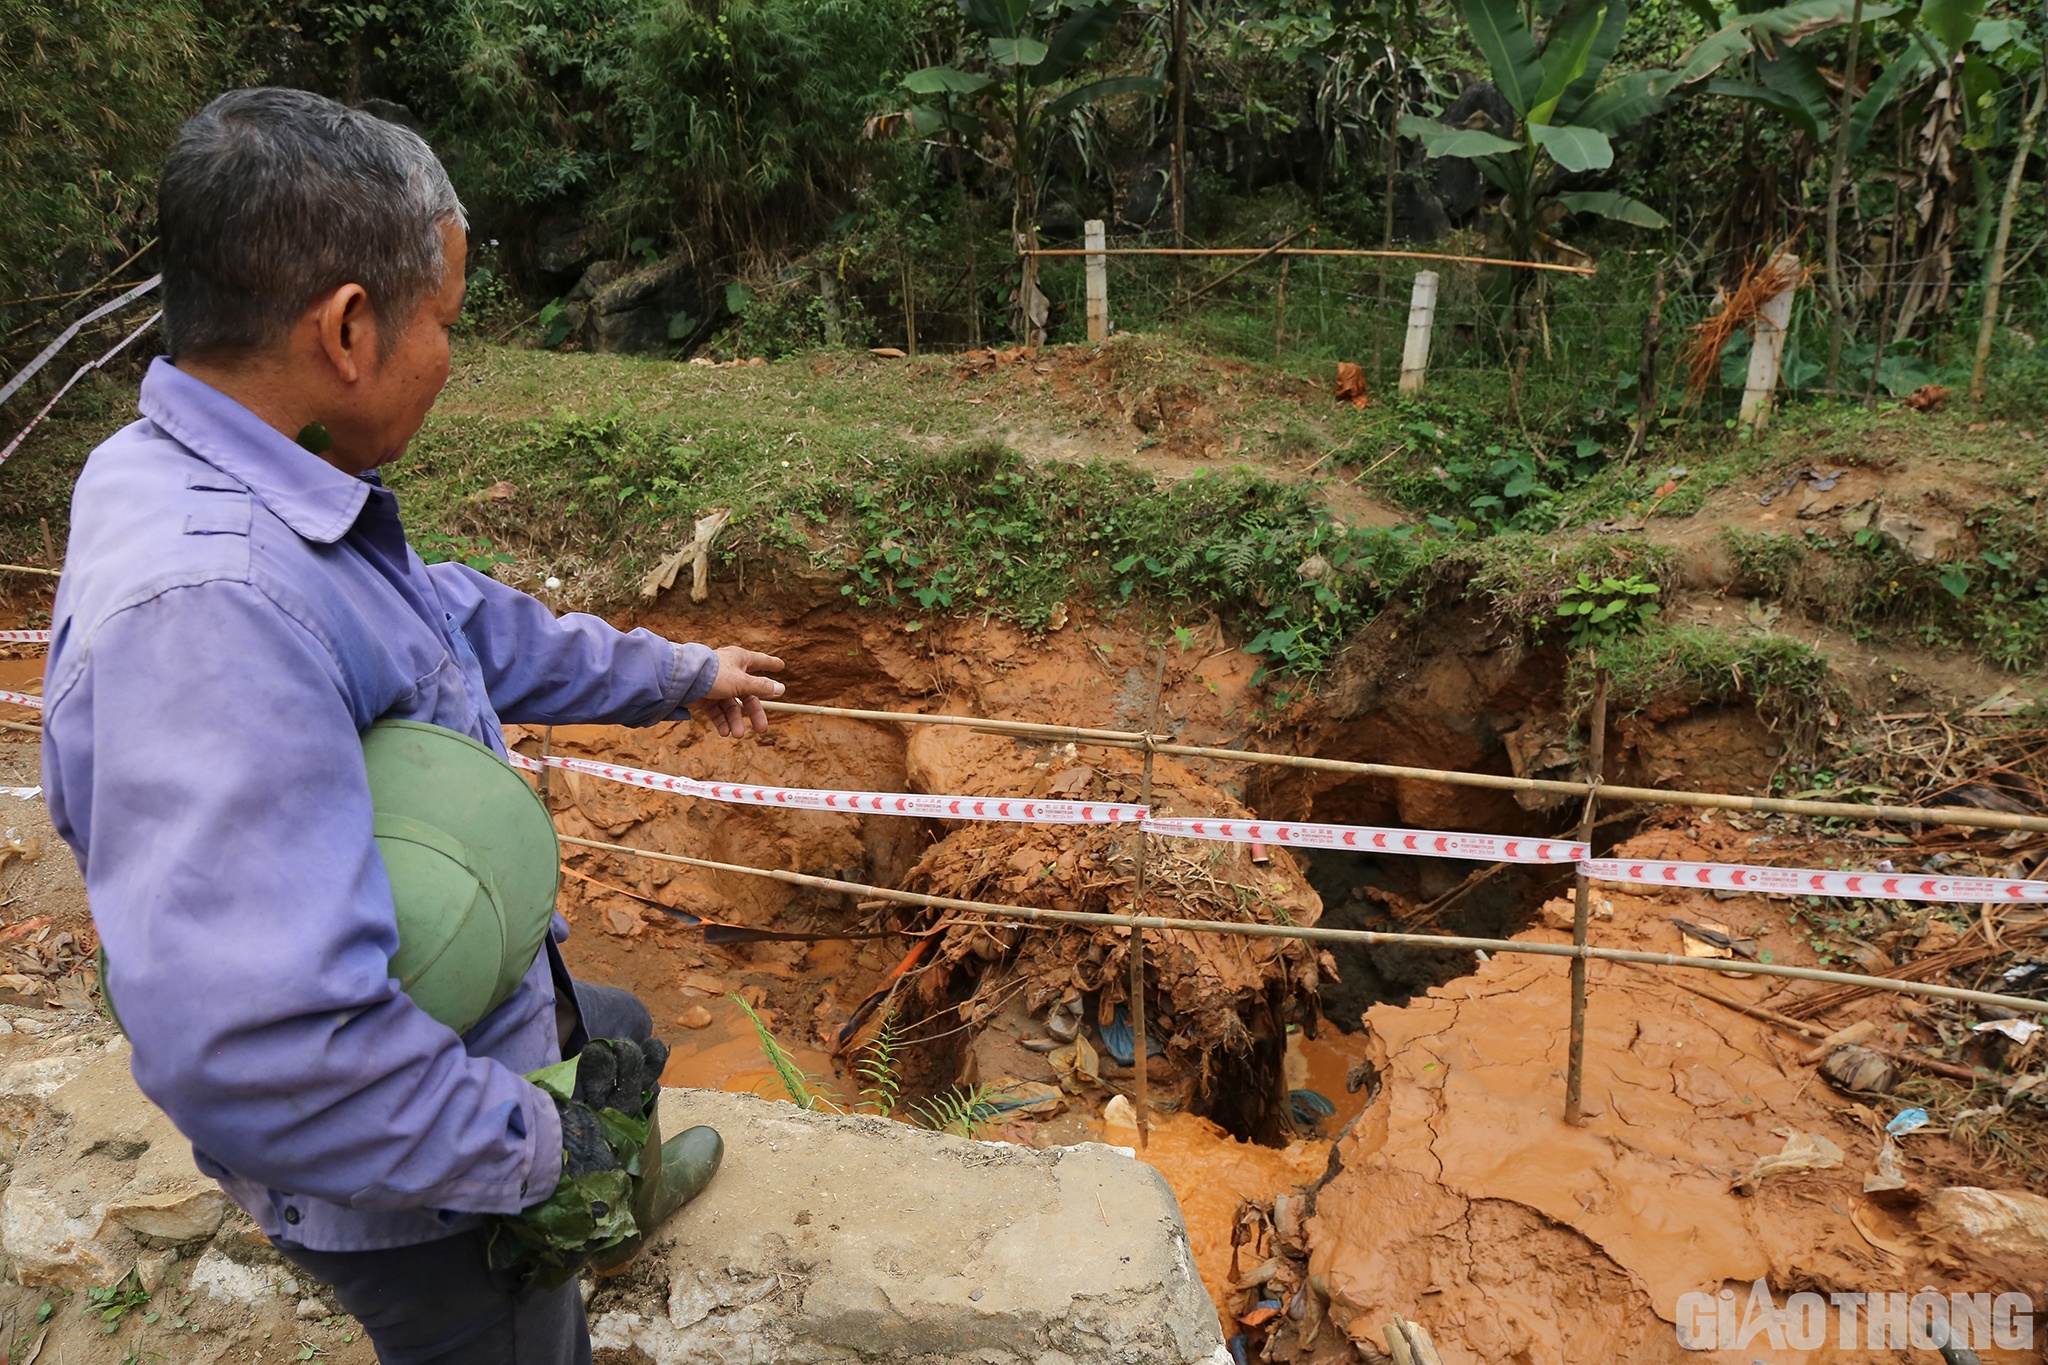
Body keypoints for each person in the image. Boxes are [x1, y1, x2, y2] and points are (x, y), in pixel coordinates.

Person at [39, 87, 782, 1363]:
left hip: (459, 1035)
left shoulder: (217, 475)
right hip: (420, 1204)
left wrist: (674, 673)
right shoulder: (212, 613)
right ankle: (563, 1236)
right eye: (445, 322)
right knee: (525, 1332)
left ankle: (614, 1205)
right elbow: (272, 1051)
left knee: (614, 1030)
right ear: (346, 328)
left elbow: (444, 621)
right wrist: (541, 1151)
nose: (450, 356)